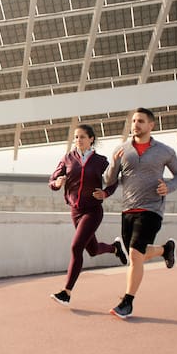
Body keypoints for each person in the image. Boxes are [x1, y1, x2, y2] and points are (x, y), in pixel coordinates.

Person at [103, 107, 177, 320]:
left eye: (140, 121)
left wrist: (169, 187)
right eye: (133, 121)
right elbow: (109, 180)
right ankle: (165, 250)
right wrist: (114, 162)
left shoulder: (164, 151)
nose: (135, 125)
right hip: (128, 208)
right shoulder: (122, 149)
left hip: (152, 208)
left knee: (133, 254)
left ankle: (127, 302)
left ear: (151, 125)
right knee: (136, 255)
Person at [47, 124, 127, 307]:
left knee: (76, 247)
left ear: (91, 139)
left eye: (82, 136)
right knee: (92, 250)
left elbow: (114, 179)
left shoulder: (101, 161)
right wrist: (57, 183)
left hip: (93, 210)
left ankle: (66, 293)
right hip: (75, 210)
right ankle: (115, 248)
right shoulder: (68, 158)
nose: (78, 140)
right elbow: (52, 180)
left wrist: (106, 193)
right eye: (76, 137)